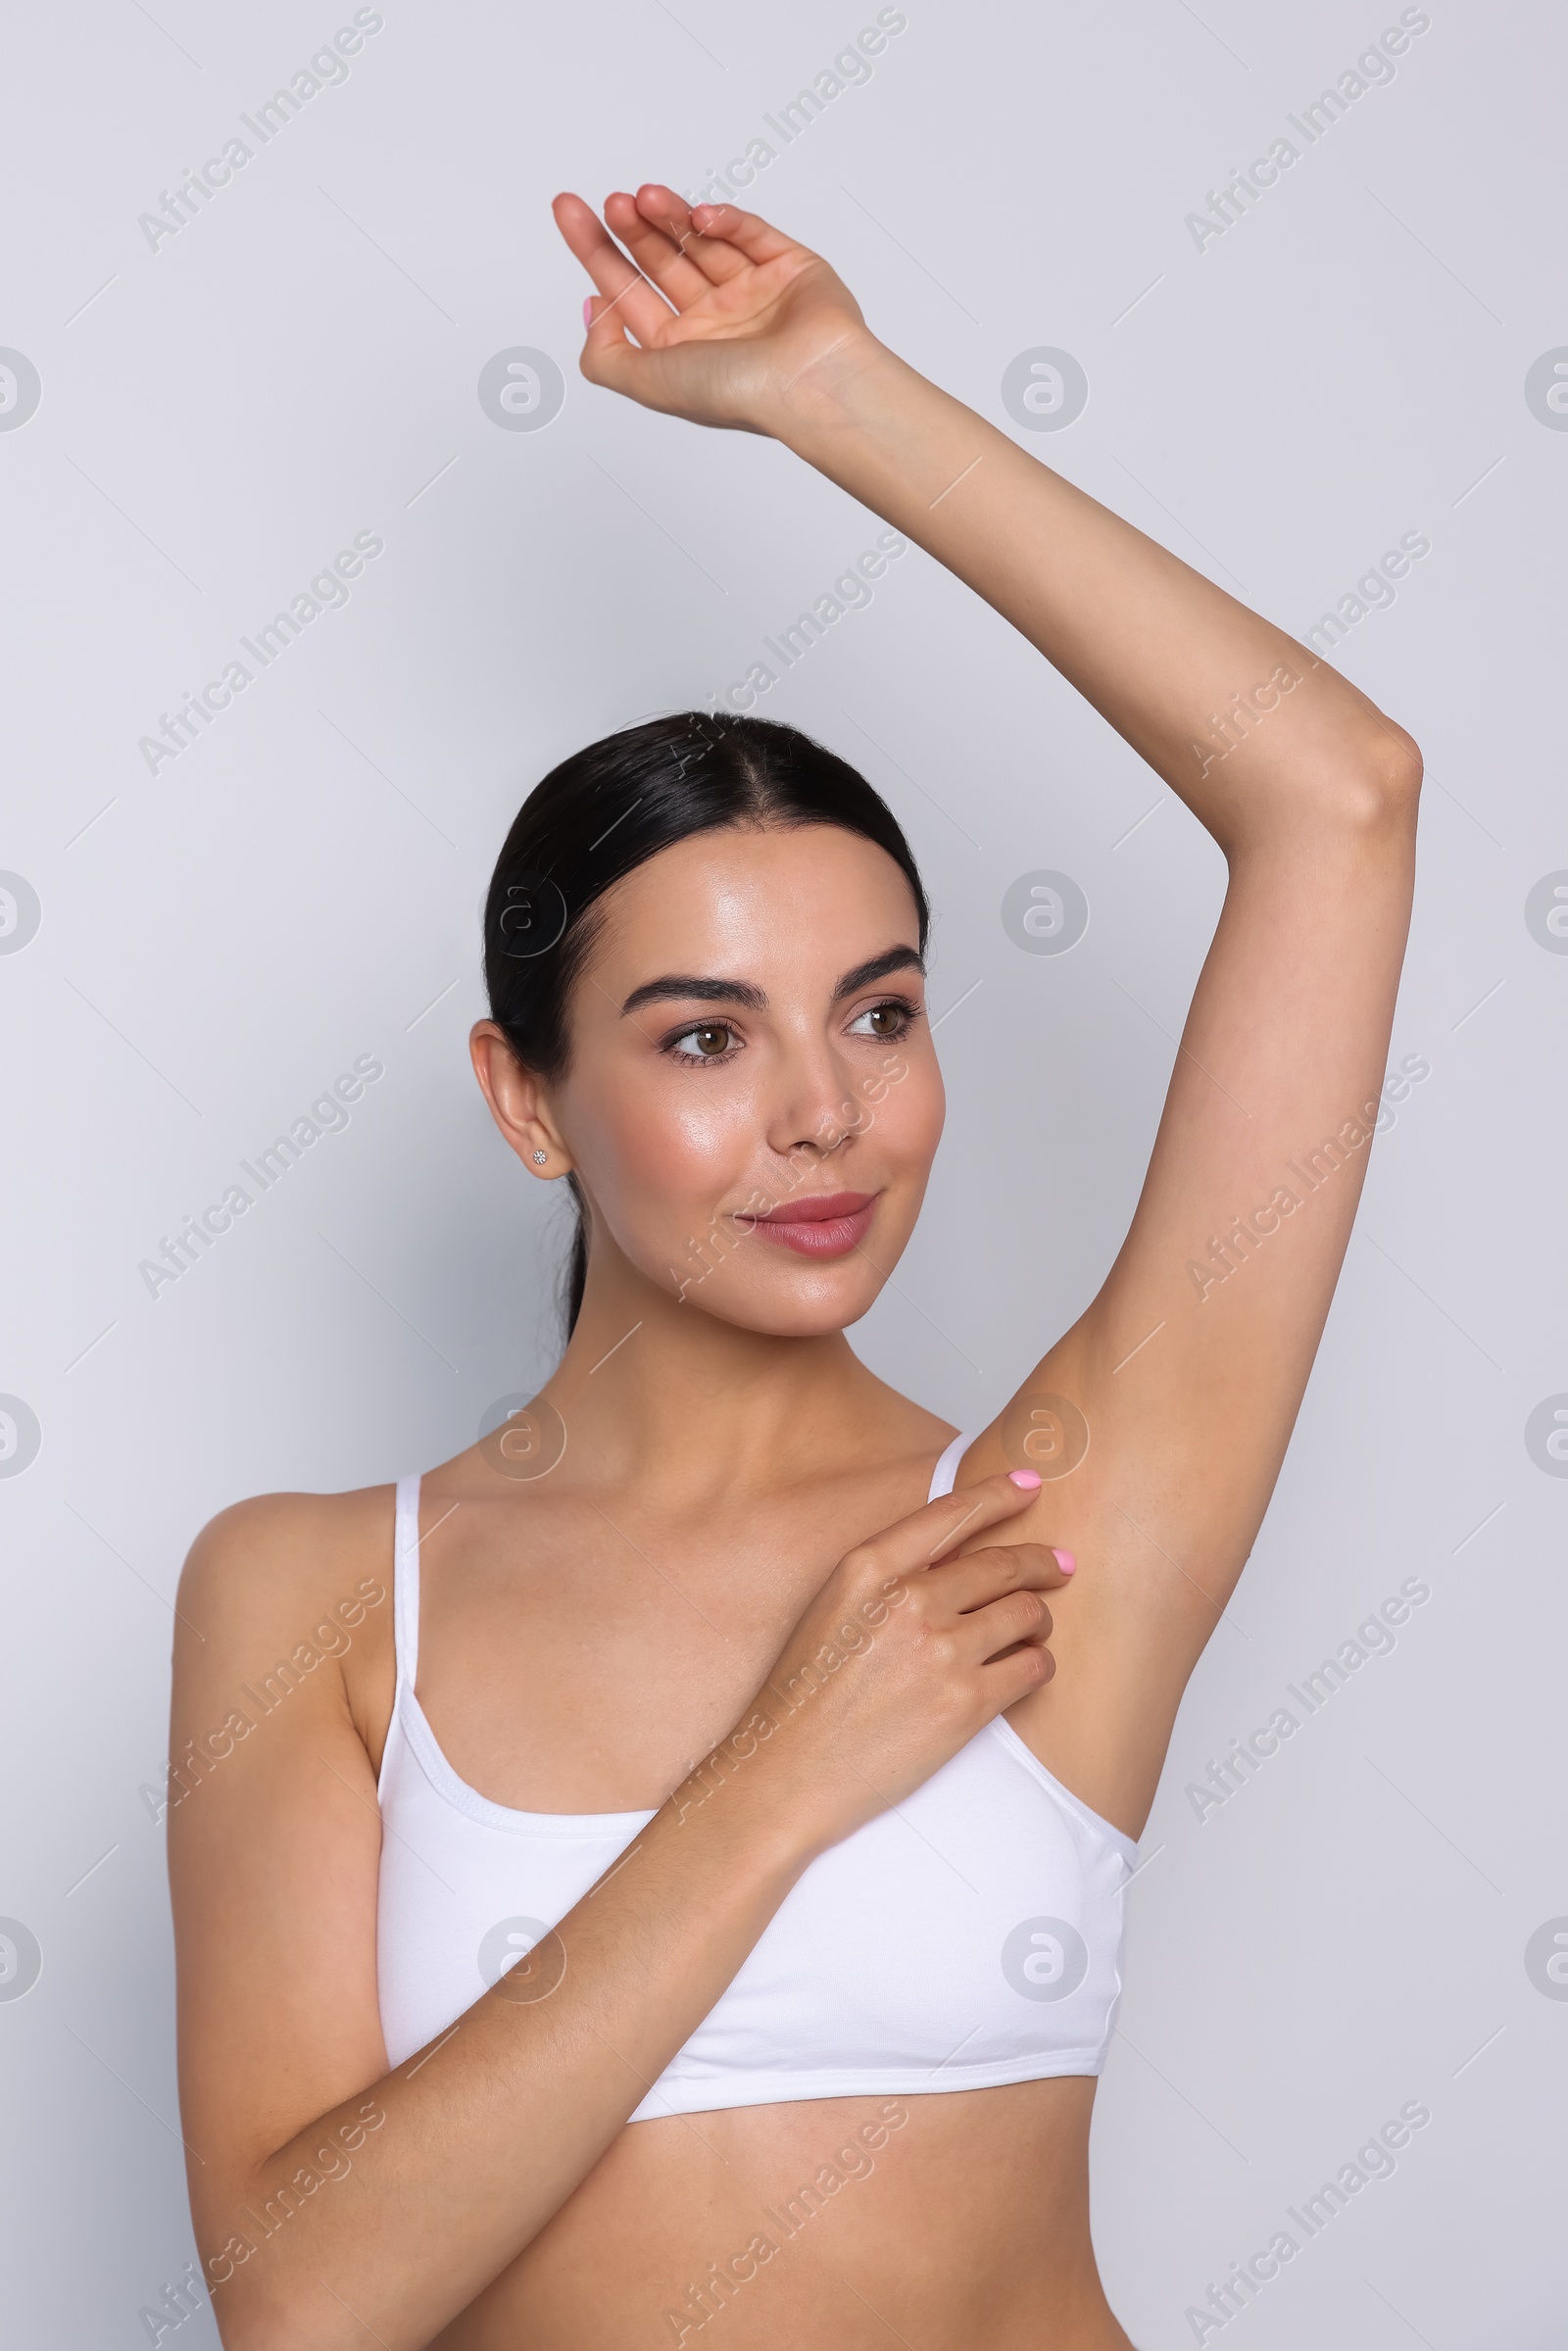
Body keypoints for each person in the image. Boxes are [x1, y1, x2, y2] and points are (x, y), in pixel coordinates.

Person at [168, 184, 1421, 2350]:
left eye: (878, 1009)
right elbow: (304, 2308)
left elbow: (1338, 799)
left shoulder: (1046, 1531)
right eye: (698, 1038)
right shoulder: (307, 1598)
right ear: (525, 1096)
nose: (821, 1113)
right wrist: (776, 1774)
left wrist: (828, 395)